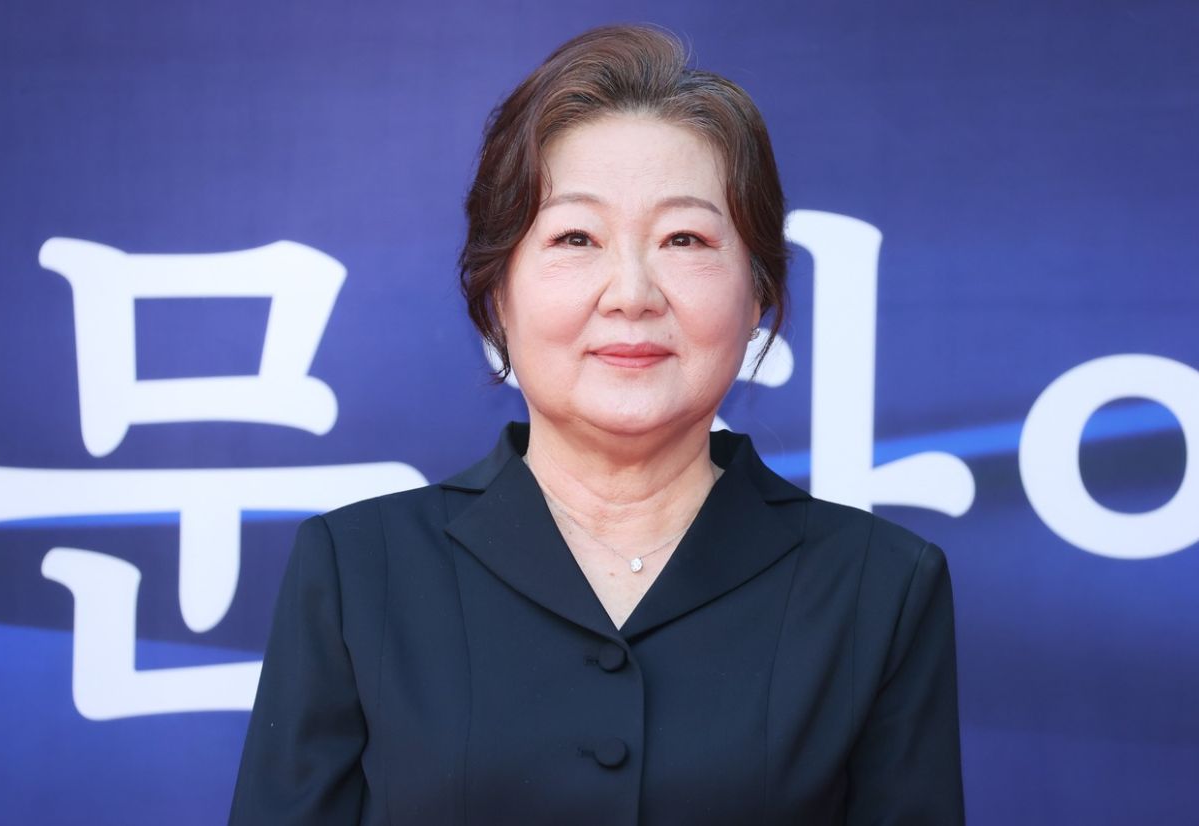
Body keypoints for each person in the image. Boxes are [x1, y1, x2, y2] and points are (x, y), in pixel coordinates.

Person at [229, 24, 964, 826]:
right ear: (497, 295)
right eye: (576, 238)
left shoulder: (878, 587)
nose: (632, 293)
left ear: (756, 294)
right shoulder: (356, 572)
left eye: (684, 239)